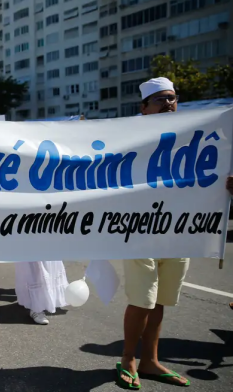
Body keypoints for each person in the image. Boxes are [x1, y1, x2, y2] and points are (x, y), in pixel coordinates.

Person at [117, 77, 211, 388]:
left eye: (171, 97)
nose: (168, 103)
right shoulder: (128, 137)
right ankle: (128, 358)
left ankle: (150, 361)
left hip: (179, 230)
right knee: (143, 300)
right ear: (143, 108)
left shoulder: (194, 136)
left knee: (160, 301)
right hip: (140, 231)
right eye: (159, 99)